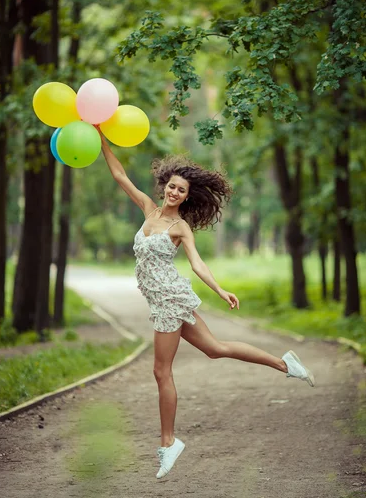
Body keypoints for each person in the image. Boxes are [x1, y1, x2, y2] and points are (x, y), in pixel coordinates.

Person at [98, 132, 315, 480]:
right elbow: (120, 176)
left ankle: (169, 443)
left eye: (181, 190)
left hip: (170, 299)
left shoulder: (180, 226)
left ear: (187, 196)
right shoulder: (147, 209)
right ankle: (284, 363)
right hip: (164, 299)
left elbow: (197, 264)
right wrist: (100, 137)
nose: (174, 192)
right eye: (171, 186)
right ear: (164, 186)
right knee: (215, 348)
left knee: (160, 371)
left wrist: (219, 289)